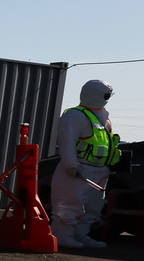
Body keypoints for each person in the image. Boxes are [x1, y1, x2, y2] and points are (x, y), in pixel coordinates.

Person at [51, 79, 120, 249]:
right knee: (69, 205)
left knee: (93, 208)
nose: (107, 98)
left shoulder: (104, 119)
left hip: (98, 173)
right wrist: (71, 165)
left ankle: (81, 235)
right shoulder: (75, 115)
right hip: (78, 171)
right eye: (106, 94)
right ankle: (62, 236)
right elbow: (66, 141)